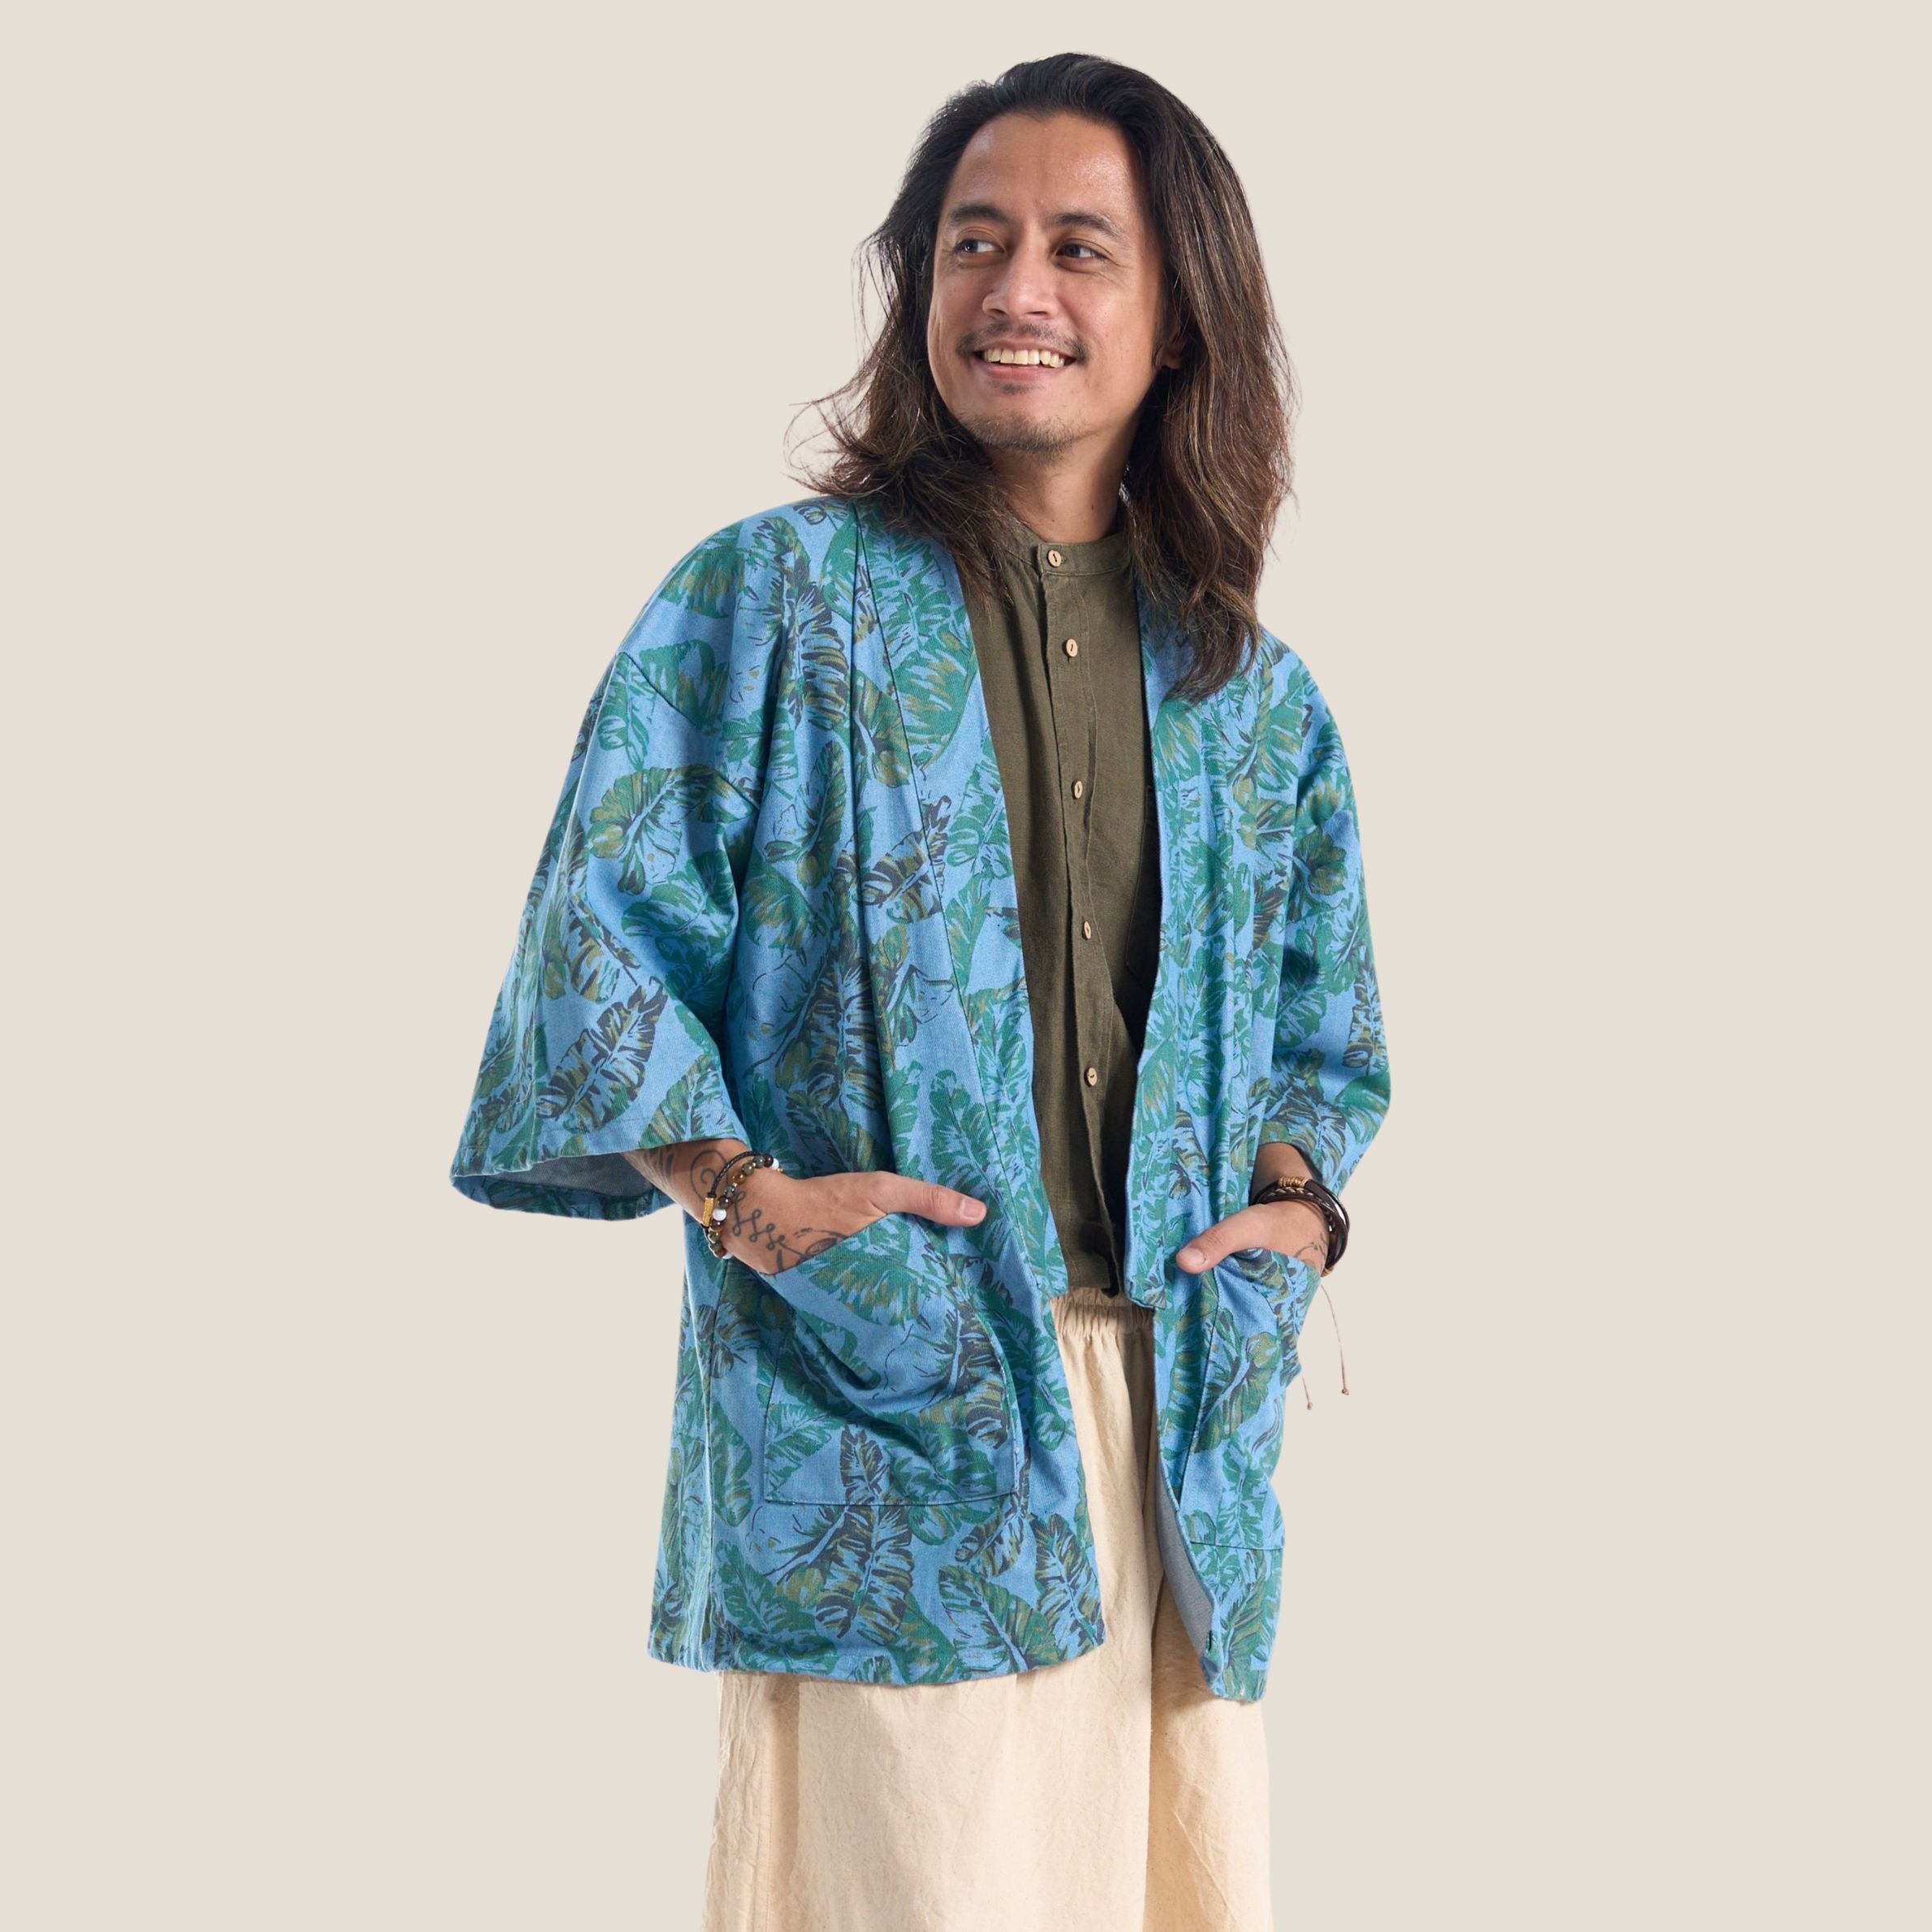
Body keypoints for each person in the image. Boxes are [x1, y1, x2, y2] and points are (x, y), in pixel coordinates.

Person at [450, 51, 1391, 1932]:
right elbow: (597, 933)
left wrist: (1296, 1210)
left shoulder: (1248, 689)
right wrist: (743, 1195)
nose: (1012, 289)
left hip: (1180, 1417)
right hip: (891, 1387)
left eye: (1076, 247)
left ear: (1178, 310)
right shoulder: (770, 602)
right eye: (971, 241)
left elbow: (1323, 1019)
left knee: (1175, 1892)